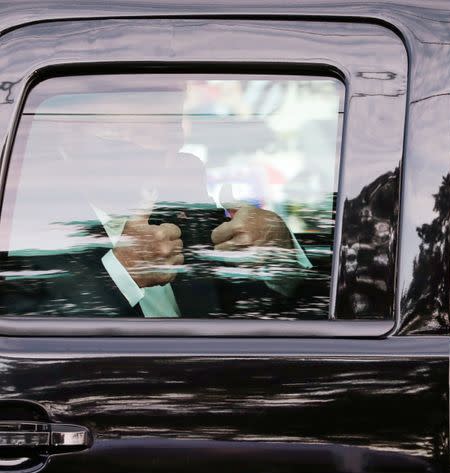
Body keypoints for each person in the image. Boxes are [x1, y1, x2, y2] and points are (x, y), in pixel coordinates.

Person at [0, 76, 314, 317]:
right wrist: (122, 274)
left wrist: (278, 250)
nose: (159, 157)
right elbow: (20, 335)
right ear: (65, 140)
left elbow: (266, 313)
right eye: (121, 137)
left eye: (168, 133)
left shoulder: (183, 199)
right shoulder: (22, 221)